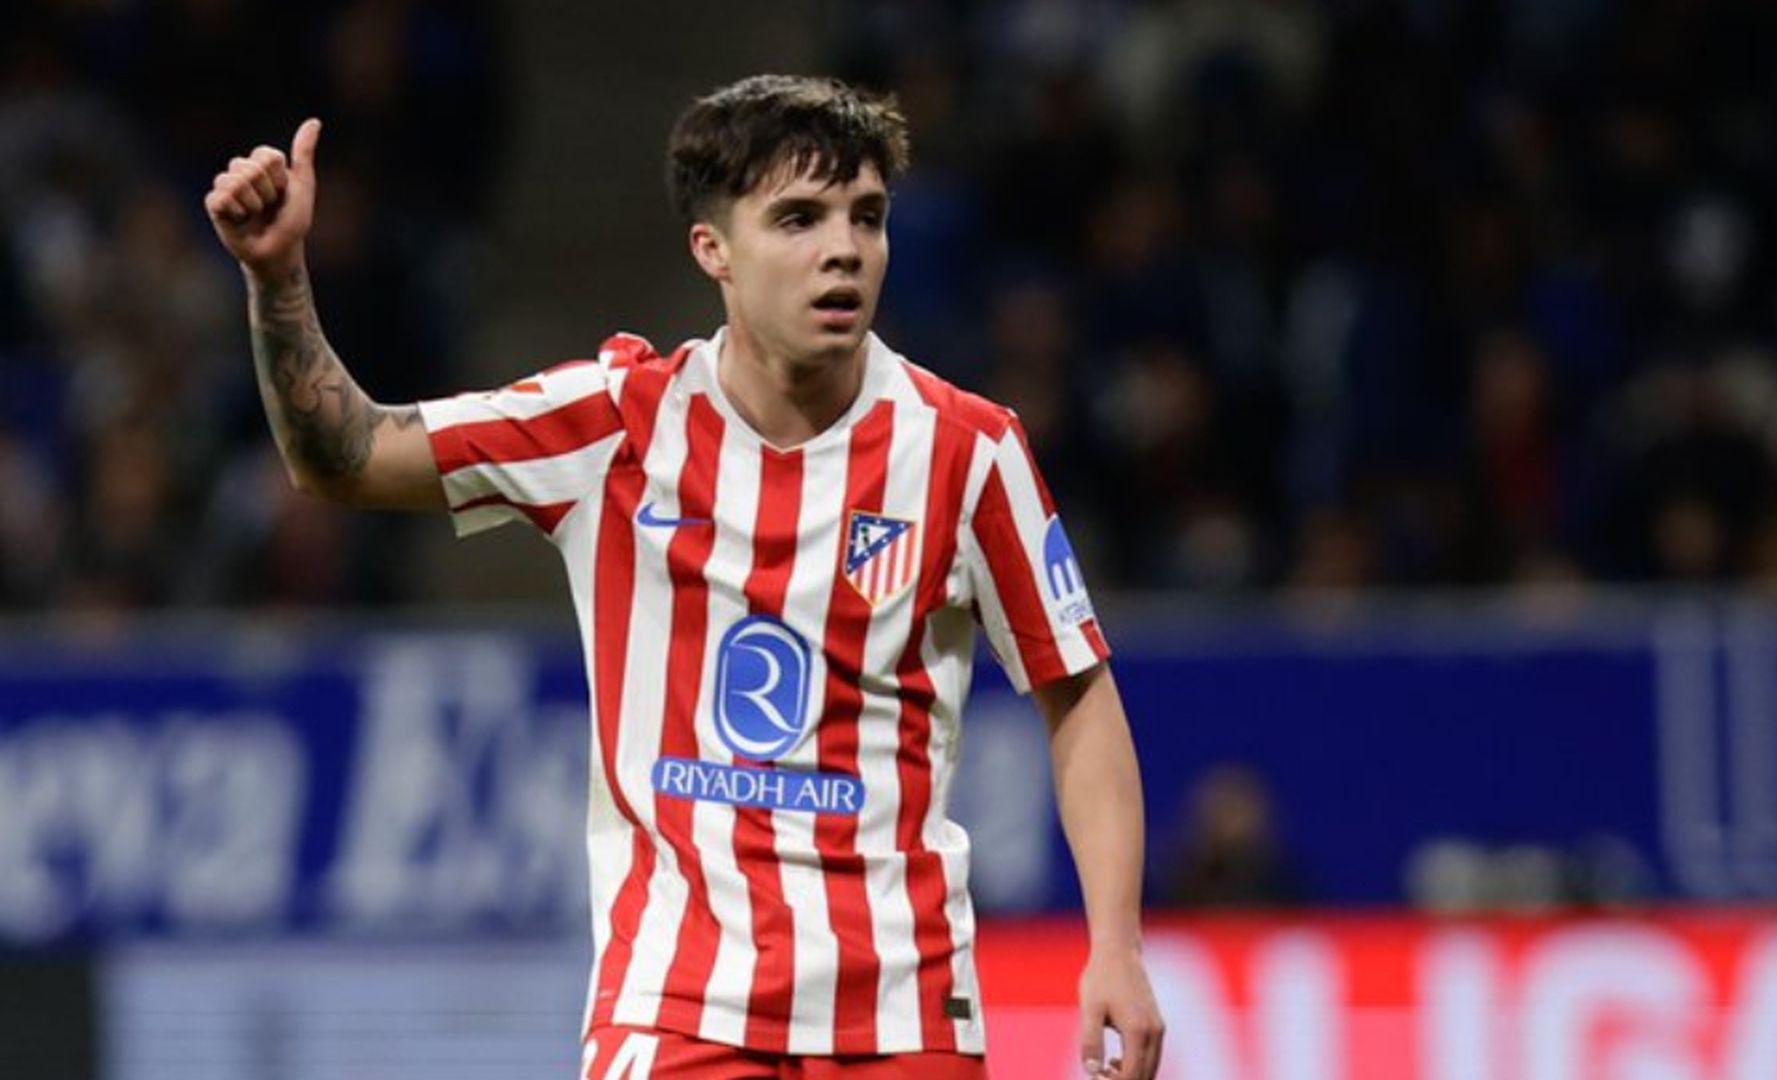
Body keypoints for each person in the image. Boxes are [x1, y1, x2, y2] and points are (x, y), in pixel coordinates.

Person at [203, 75, 1164, 1080]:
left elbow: (1080, 692)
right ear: (714, 251)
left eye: (866, 218)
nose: (844, 249)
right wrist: (279, 280)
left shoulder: (968, 450)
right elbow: (344, 457)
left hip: (900, 1012)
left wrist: (1116, 947)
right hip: (675, 1011)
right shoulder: (615, 424)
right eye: (797, 218)